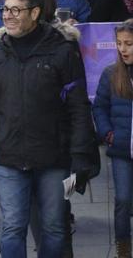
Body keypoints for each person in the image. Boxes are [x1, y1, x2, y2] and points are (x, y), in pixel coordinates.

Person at [0, 0, 97, 258]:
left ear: (35, 12)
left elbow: (78, 106)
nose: (8, 16)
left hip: (54, 158)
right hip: (9, 156)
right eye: (5, 9)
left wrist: (79, 155)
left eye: (16, 10)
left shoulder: (63, 51)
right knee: (12, 227)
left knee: (54, 227)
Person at [93, 19, 133, 258]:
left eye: (129, 43)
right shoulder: (111, 73)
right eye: (119, 43)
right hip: (121, 149)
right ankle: (123, 246)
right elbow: (99, 107)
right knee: (123, 199)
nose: (123, 49)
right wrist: (108, 134)